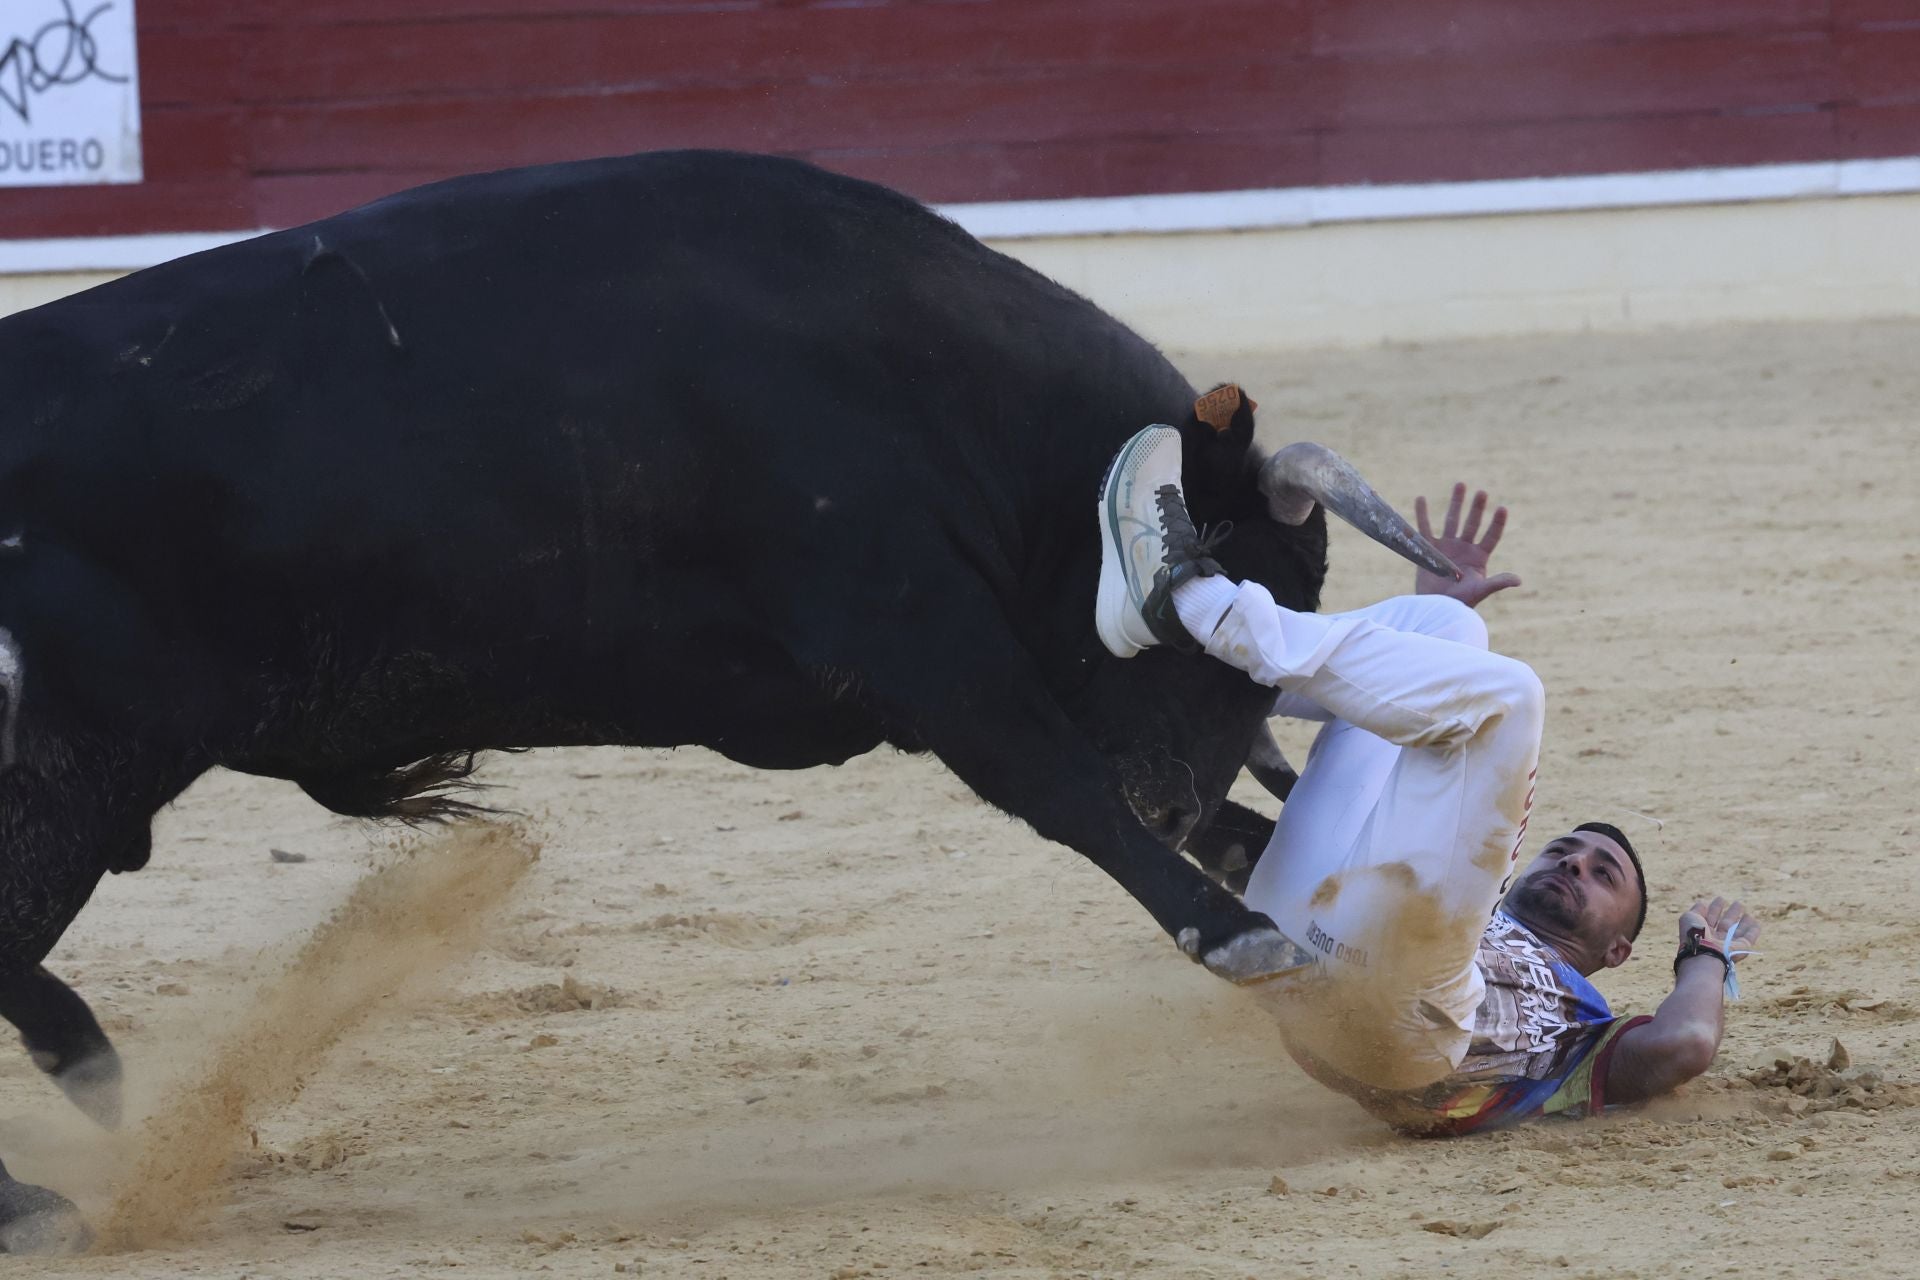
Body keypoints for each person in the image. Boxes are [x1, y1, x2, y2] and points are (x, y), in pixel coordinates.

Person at [1095, 425, 1759, 1135]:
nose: (1575, 863)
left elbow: (1686, 1043)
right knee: (1446, 625)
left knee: (1514, 698)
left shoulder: (1585, 1034)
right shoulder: (1465, 902)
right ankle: (1186, 663)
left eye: (1604, 876)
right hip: (1299, 938)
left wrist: (1704, 954)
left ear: (1616, 952)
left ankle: (1201, 610)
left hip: (1407, 1032)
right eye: (1569, 850)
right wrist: (1428, 649)